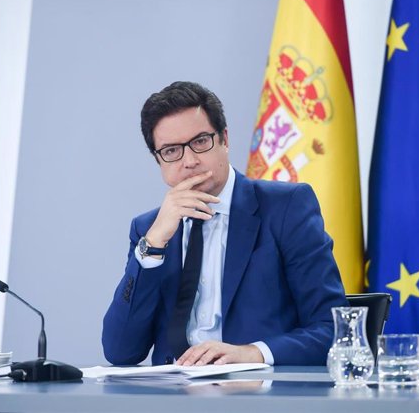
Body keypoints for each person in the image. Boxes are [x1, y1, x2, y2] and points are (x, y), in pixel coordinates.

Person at [102, 81, 347, 366]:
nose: (189, 161)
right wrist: (152, 246)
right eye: (171, 151)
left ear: (225, 139)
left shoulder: (286, 207)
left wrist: (254, 354)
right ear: (159, 161)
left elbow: (333, 330)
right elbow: (120, 350)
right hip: (173, 400)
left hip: (258, 396)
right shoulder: (150, 230)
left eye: (200, 142)